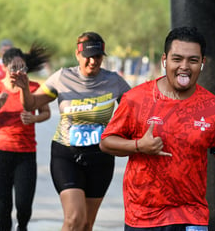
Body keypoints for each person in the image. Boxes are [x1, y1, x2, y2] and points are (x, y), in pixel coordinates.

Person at [100, 26, 215, 231]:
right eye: (177, 59)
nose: (184, 66)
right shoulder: (136, 99)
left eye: (193, 60)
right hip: (143, 215)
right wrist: (138, 145)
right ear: (164, 60)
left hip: (191, 214)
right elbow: (106, 142)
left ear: (202, 63)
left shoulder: (214, 107)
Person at [12, 32, 131, 231]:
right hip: (66, 154)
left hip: (100, 158)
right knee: (74, 218)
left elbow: (136, 110)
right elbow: (32, 103)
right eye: (88, 56)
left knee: (86, 225)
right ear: (78, 54)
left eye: (98, 56)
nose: (93, 61)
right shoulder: (62, 78)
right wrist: (24, 90)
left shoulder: (114, 82)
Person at [0, 46, 51, 231]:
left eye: (23, 68)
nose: (18, 72)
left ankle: (22, 227)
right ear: (4, 67)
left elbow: (46, 113)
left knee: (24, 205)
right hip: (0, 154)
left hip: (26, 155)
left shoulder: (34, 87)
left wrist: (34, 118)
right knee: (4, 206)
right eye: (14, 67)